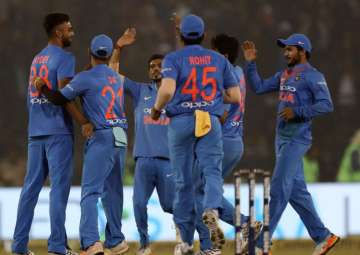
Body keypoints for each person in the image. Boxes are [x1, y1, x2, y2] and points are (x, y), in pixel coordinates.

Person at [241, 33, 339, 255]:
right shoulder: (284, 74)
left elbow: (327, 105)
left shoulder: (313, 76)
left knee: (277, 189)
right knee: (297, 192)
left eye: (290, 49)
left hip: (297, 138)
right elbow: (258, 87)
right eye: (285, 49)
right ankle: (324, 237)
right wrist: (250, 63)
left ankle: (261, 244)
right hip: (282, 139)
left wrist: (297, 112)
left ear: (302, 51)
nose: (285, 53)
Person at [151, 14, 240, 255]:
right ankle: (211, 209)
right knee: (211, 171)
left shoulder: (173, 58)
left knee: (183, 183)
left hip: (180, 121)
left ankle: (185, 242)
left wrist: (157, 109)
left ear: (180, 36)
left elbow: (167, 90)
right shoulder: (217, 60)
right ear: (204, 35)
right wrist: (209, 96)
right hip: (208, 120)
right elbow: (235, 97)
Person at [35, 34, 129, 255]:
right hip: (121, 134)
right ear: (106, 56)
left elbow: (59, 99)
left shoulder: (85, 78)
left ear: (90, 52)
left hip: (103, 136)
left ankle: (91, 242)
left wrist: (42, 87)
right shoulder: (115, 77)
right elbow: (95, 78)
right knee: (113, 191)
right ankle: (116, 240)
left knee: (90, 192)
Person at [12, 13, 90, 255]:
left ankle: (19, 247)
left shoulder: (37, 58)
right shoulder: (65, 57)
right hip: (58, 131)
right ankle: (57, 245)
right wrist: (84, 121)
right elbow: (65, 96)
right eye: (69, 29)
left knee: (30, 189)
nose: (72, 33)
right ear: (58, 32)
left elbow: (33, 95)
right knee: (59, 189)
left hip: (36, 130)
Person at [192, 34, 262, 255]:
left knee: (197, 189)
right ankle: (244, 225)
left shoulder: (223, 77)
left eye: (212, 52)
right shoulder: (238, 71)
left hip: (221, 142)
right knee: (204, 189)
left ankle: (213, 242)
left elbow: (220, 115)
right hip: (235, 141)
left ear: (222, 56)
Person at [110, 29, 174, 255]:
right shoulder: (140, 91)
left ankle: (190, 238)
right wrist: (118, 48)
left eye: (160, 65)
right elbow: (113, 75)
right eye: (152, 66)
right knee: (138, 204)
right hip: (144, 160)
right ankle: (145, 244)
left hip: (169, 161)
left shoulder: (175, 93)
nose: (155, 68)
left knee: (170, 206)